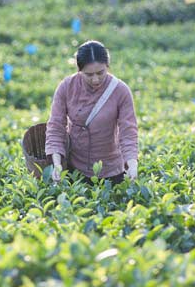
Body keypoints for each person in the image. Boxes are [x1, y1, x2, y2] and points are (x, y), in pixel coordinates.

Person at [45, 40, 138, 184]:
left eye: (101, 73)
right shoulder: (67, 87)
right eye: (89, 75)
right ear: (79, 70)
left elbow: (128, 132)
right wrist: (57, 164)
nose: (95, 80)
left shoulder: (120, 91)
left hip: (111, 171)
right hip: (75, 169)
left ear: (108, 66)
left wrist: (132, 164)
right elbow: (56, 127)